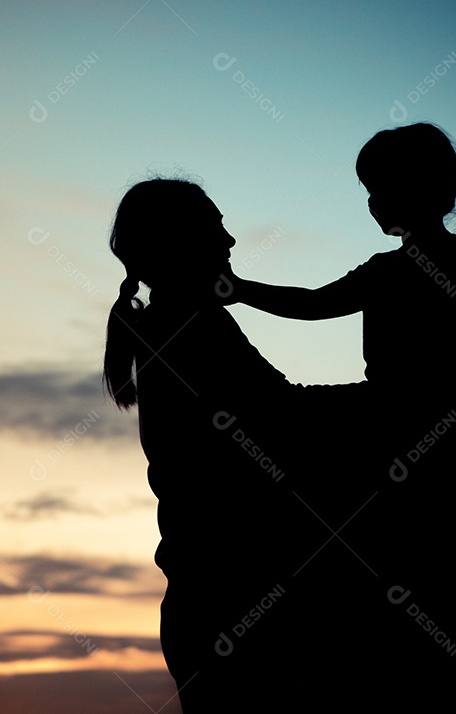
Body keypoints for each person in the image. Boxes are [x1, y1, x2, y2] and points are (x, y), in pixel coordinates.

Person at [103, 177, 354, 710]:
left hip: (210, 603)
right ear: (182, 242)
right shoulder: (191, 326)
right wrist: (396, 398)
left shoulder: (177, 322)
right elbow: (287, 416)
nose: (231, 242)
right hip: (235, 604)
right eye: (217, 228)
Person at [220, 122, 456, 478]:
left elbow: (313, 304)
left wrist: (240, 289)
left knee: (292, 410)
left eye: (379, 188)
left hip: (406, 418)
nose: (371, 201)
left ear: (415, 188)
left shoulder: (391, 271)